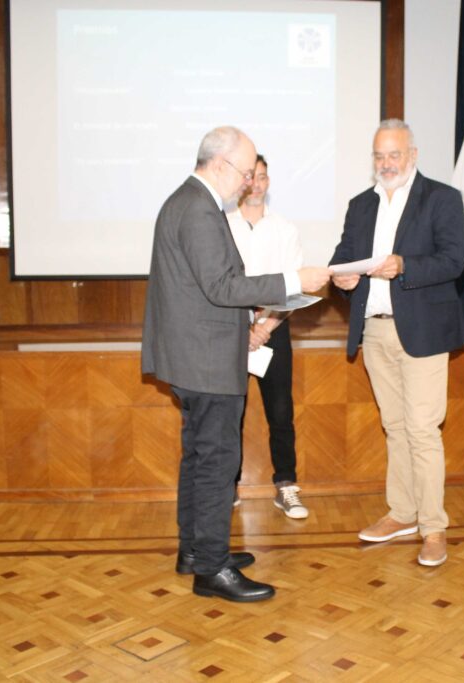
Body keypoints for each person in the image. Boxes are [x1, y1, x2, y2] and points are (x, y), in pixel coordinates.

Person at [141, 126, 330, 601]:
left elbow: (203, 290)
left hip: (196, 355)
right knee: (216, 462)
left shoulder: (186, 202)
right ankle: (212, 569)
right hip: (205, 361)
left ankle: (195, 550)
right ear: (221, 164)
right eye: (246, 173)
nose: (249, 182)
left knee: (200, 457)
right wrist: (294, 279)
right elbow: (222, 287)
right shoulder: (199, 209)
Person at [329, 119, 464, 567]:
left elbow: (453, 261)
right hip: (374, 331)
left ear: (413, 155)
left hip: (423, 332)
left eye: (394, 155)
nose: (386, 163)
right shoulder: (360, 204)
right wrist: (341, 277)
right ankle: (403, 513)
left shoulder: (441, 198)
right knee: (395, 427)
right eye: (379, 156)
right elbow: (342, 257)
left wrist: (404, 265)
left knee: (423, 430)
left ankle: (434, 528)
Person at [226, 155, 309, 520]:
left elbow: (294, 286)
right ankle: (227, 487)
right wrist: (245, 327)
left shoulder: (285, 229)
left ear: (268, 181)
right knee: (230, 412)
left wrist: (264, 327)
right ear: (241, 182)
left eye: (262, 177)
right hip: (231, 331)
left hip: (274, 329)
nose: (256, 184)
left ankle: (286, 486)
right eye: (250, 177)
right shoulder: (223, 226)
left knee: (281, 412)